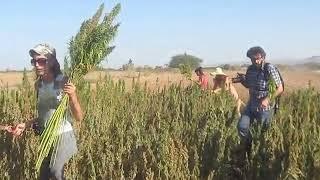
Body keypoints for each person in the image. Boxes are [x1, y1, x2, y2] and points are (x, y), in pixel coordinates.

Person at [12, 43, 83, 180]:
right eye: (34, 61)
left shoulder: (63, 81)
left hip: (62, 135)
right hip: (46, 136)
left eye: (41, 61)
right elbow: (44, 115)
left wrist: (73, 96)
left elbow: (79, 117)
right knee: (43, 176)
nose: (37, 65)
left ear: (51, 61)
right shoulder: (38, 85)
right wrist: (25, 125)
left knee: (56, 172)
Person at [236, 46, 284, 154]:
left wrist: (267, 99)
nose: (256, 61)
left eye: (258, 58)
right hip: (251, 104)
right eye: (253, 59)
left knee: (263, 132)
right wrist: (240, 80)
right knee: (242, 126)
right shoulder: (250, 69)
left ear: (263, 57)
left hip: (265, 107)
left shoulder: (269, 68)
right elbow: (248, 84)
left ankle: (262, 155)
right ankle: (249, 148)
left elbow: (280, 88)